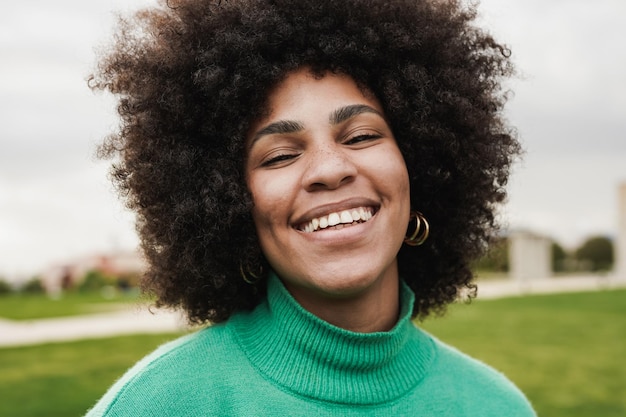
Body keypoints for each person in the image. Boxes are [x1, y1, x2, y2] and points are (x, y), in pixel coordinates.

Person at [86, 0, 536, 415]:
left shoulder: (498, 406)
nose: (330, 169)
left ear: (418, 164)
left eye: (361, 136)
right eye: (280, 155)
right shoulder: (158, 404)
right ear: (230, 201)